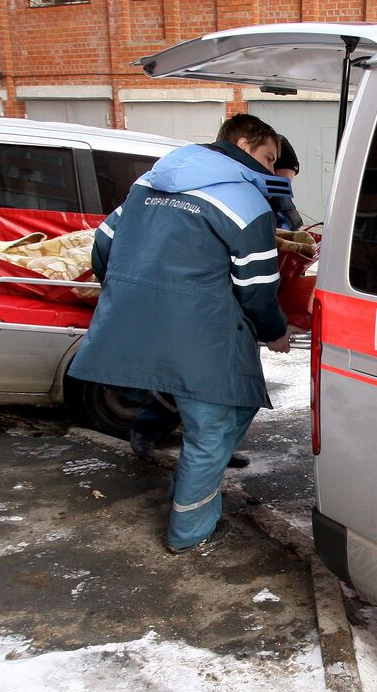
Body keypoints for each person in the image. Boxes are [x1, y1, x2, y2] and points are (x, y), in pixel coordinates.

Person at [73, 113, 291, 554]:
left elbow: (103, 244)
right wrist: (275, 331)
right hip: (202, 332)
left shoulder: (149, 183)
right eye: (268, 159)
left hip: (139, 323)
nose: (271, 171)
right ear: (245, 145)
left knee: (216, 406)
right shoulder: (246, 202)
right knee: (213, 429)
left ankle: (171, 463)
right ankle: (190, 532)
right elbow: (257, 288)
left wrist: (130, 289)